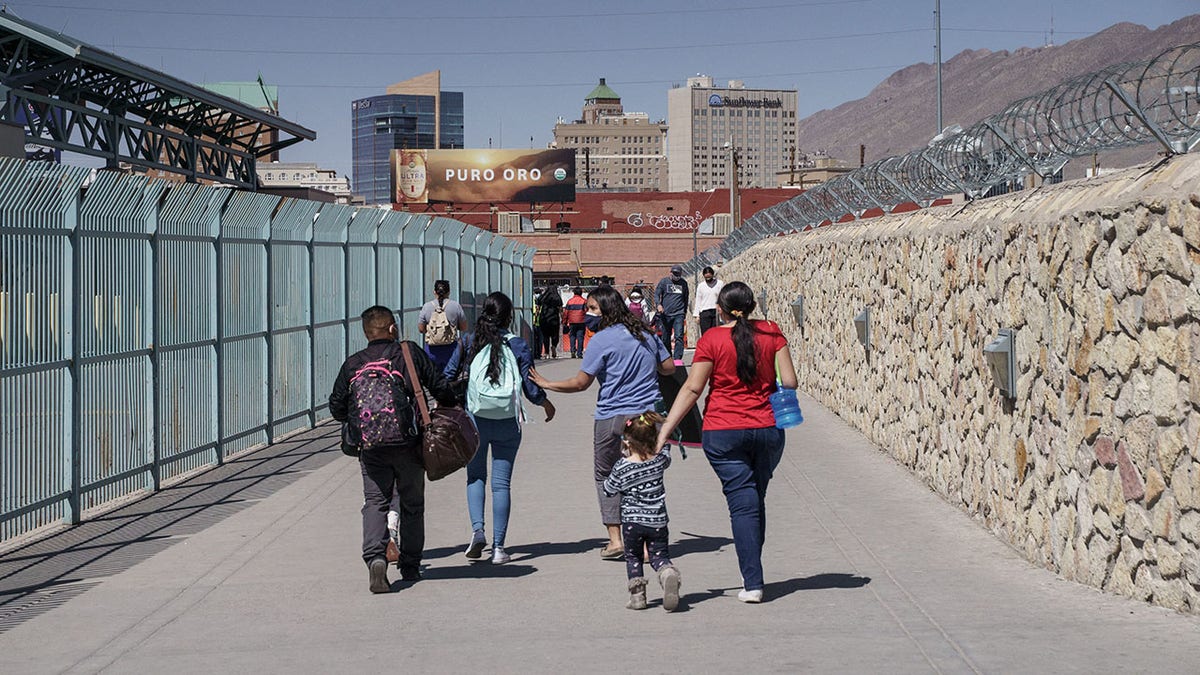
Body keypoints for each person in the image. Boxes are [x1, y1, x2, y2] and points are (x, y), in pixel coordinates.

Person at [656, 281, 797, 604]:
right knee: (754, 499)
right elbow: (789, 381)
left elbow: (693, 389)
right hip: (767, 429)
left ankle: (753, 581)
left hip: (723, 430)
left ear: (719, 309)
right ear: (751, 306)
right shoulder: (772, 332)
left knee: (742, 504)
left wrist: (666, 430)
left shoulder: (712, 339)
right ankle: (753, 573)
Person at [530, 285, 675, 560]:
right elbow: (667, 368)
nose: (587, 314)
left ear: (607, 310)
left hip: (612, 416)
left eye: (592, 309)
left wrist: (547, 383)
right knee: (647, 475)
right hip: (648, 416)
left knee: (606, 475)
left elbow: (581, 383)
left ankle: (616, 540)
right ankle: (646, 544)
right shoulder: (646, 333)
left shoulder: (600, 340)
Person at [330, 305, 458, 593]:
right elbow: (439, 386)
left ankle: (376, 558)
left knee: (375, 501)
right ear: (392, 328)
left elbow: (337, 406)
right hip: (408, 443)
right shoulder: (407, 353)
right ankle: (410, 565)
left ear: (366, 333)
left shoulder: (353, 364)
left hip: (371, 447)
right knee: (412, 503)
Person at [445, 292, 556, 564]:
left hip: (475, 421)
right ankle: (498, 548)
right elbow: (529, 388)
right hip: (507, 421)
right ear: (509, 317)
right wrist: (546, 403)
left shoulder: (469, 342)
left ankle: (477, 531)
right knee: (501, 484)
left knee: (475, 477)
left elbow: (447, 377)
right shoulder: (518, 344)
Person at [603, 411, 681, 611]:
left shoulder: (622, 466)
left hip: (632, 522)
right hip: (657, 521)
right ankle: (666, 572)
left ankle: (638, 597)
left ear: (627, 442)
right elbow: (666, 451)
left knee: (633, 557)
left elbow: (609, 489)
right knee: (659, 555)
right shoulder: (658, 461)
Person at [418, 279, 468, 372]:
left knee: (433, 378)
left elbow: (421, 329)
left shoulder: (426, 306)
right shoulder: (455, 306)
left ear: (434, 292)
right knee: (450, 376)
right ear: (448, 292)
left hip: (431, 350)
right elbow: (464, 327)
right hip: (451, 349)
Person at [654, 265, 690, 364]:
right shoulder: (664, 282)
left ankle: (677, 358)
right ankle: (668, 357)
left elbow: (686, 298)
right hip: (665, 314)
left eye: (678, 274)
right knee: (666, 337)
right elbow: (657, 294)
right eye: (674, 273)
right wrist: (658, 305)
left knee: (679, 335)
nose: (676, 276)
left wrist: (684, 311)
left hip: (679, 313)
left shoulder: (683, 283)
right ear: (670, 272)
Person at [693, 266, 725, 336]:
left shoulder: (720, 284)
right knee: (706, 333)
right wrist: (696, 315)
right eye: (706, 277)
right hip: (704, 312)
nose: (708, 279)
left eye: (709, 277)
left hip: (716, 311)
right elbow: (698, 300)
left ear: (713, 275)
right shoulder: (701, 286)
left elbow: (723, 297)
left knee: (715, 333)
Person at [537, 285, 563, 359]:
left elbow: (538, 307)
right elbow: (560, 309)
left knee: (545, 336)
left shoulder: (543, 297)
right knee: (555, 335)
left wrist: (537, 317)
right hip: (554, 318)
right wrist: (562, 318)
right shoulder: (557, 297)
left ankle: (546, 352)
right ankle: (554, 346)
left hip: (544, 318)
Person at [562, 286, 588, 358]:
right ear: (581, 293)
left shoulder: (570, 301)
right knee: (580, 337)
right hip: (581, 321)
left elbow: (566, 313)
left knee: (572, 336)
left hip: (572, 321)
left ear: (574, 293)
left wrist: (564, 321)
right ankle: (579, 353)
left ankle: (573, 351)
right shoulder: (584, 301)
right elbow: (586, 311)